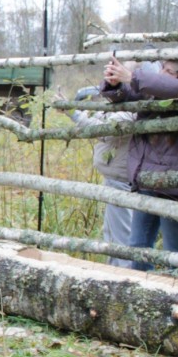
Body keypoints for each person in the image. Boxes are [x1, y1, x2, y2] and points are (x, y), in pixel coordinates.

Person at [101, 55, 178, 271]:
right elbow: (129, 94)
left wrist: (132, 76)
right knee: (138, 248)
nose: (162, 74)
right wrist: (116, 84)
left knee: (176, 251)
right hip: (148, 180)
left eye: (169, 71)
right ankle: (140, 296)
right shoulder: (156, 92)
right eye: (163, 69)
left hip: (177, 187)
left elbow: (169, 87)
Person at [66, 85, 135, 267]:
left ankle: (123, 277)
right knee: (113, 233)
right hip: (117, 177)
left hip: (120, 180)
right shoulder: (127, 106)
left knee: (120, 238)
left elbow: (105, 129)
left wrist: (74, 113)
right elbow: (106, 122)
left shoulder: (131, 108)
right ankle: (116, 274)